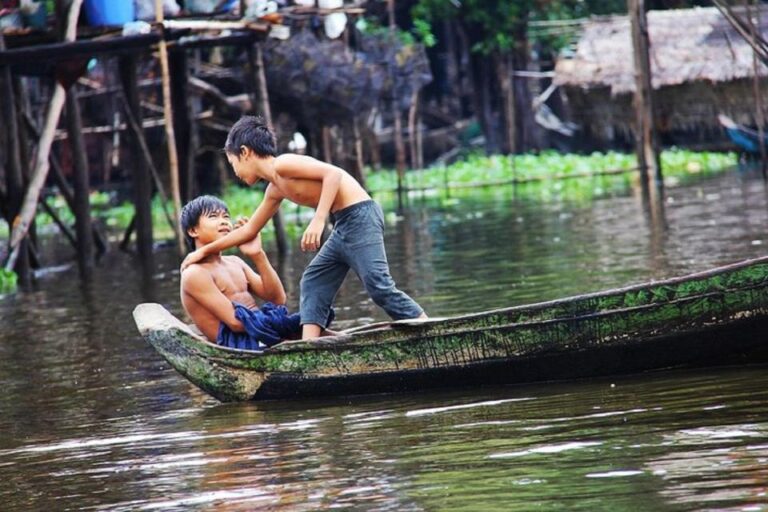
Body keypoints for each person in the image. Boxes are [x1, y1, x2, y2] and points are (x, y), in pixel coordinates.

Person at [181, 115, 426, 339]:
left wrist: (319, 220)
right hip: (343, 223)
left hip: (360, 216)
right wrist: (201, 252)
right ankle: (310, 345)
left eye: (233, 163)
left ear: (245, 152)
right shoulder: (274, 189)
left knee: (378, 286)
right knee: (313, 280)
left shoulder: (283, 164)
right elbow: (248, 231)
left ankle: (426, 327)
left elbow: (333, 175)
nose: (235, 172)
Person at [179, 195, 302, 351]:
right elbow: (236, 324)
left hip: (259, 331)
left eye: (226, 216)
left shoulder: (235, 262)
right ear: (193, 230)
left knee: (314, 323)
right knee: (307, 327)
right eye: (213, 216)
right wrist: (278, 322)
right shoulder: (195, 273)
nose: (223, 221)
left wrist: (258, 255)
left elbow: (277, 298)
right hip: (238, 343)